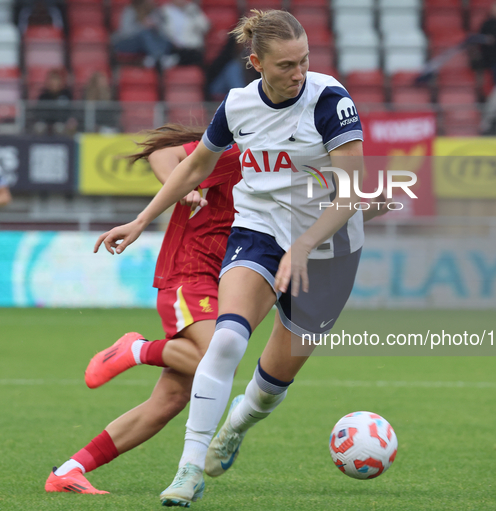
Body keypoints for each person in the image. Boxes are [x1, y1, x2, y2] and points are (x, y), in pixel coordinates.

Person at [93, 9, 368, 507]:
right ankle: (188, 470)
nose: (299, 73)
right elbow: (196, 162)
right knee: (224, 342)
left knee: (270, 387)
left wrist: (306, 244)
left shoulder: (330, 101)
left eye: (305, 60)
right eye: (286, 65)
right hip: (259, 231)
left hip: (328, 247)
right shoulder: (238, 106)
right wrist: (141, 220)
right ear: (257, 62)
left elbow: (351, 194)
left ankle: (239, 422)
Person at [45, 124, 242, 494]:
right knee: (213, 363)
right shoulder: (238, 154)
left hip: (220, 280)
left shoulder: (281, 171)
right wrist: (184, 186)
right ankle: (136, 349)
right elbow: (162, 155)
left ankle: (69, 470)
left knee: (170, 400)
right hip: (190, 270)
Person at [111, 0, 174, 68]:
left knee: (165, 38)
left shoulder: (155, 11)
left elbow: (163, 31)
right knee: (144, 34)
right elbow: (125, 32)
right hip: (126, 42)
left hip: (145, 45)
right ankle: (158, 57)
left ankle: (157, 57)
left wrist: (156, 27)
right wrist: (143, 25)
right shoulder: (130, 10)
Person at [160, 0, 210, 68]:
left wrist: (194, 13)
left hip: (194, 49)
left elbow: (205, 27)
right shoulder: (165, 11)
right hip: (175, 49)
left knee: (195, 55)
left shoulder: (193, 9)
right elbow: (164, 32)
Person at [33, 68, 78, 136]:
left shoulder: (67, 94)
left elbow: (71, 111)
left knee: (60, 127)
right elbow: (38, 113)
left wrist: (67, 120)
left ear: (60, 81)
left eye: (56, 80)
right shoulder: (43, 96)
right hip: (46, 122)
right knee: (39, 127)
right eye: (52, 80)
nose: (54, 82)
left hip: (62, 122)